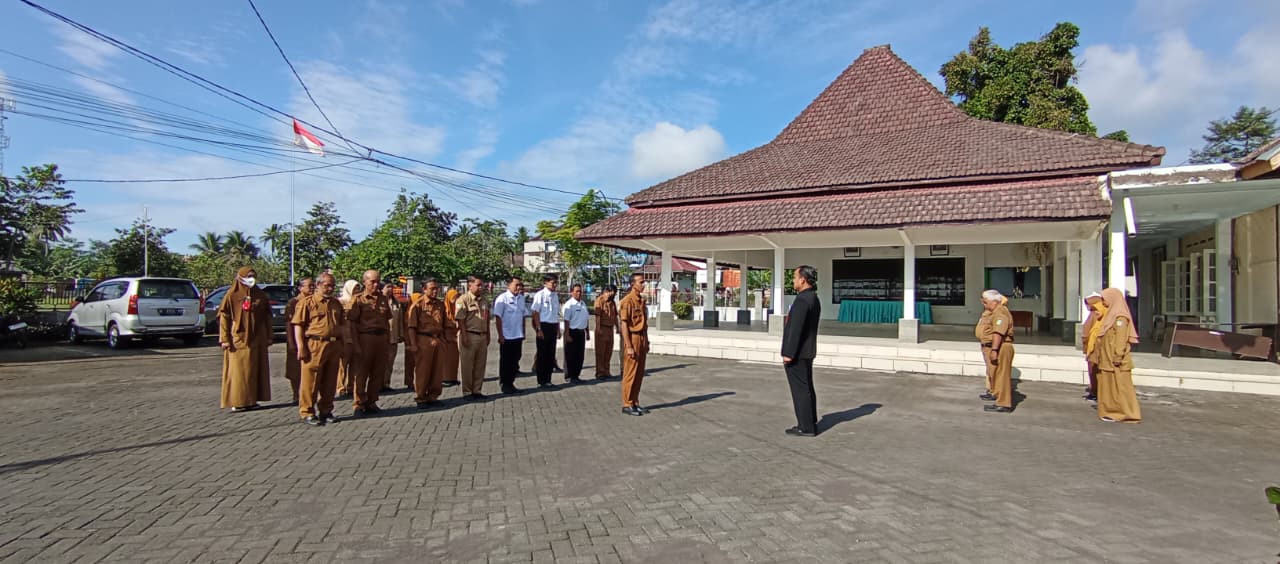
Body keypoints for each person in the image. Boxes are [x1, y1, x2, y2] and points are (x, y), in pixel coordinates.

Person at [292, 273, 352, 426]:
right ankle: (307, 412)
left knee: (330, 380)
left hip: (333, 345)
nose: (330, 288)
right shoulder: (307, 303)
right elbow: (298, 325)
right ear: (318, 285)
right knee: (310, 381)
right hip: (314, 345)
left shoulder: (335, 303)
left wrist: (344, 344)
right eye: (326, 285)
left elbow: (342, 325)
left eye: (332, 285)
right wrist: (301, 347)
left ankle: (326, 411)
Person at [218, 266, 273, 412]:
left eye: (253, 276)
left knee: (255, 370)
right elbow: (225, 318)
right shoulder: (231, 295)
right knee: (239, 372)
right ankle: (238, 401)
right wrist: (225, 339)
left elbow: (267, 317)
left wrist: (268, 336)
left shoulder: (260, 295)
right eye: (248, 276)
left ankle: (252, 400)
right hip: (238, 340)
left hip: (258, 338)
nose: (251, 279)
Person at [781, 265, 821, 436]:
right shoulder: (813, 298)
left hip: (798, 353)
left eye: (795, 277)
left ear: (803, 279)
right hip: (807, 350)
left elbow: (796, 329)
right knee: (806, 387)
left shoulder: (803, 300)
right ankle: (810, 420)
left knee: (800, 390)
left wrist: (789, 353)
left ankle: (805, 427)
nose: (793, 280)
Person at [347, 270, 392, 417]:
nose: (376, 284)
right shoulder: (358, 300)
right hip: (365, 338)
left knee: (378, 372)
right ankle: (359, 404)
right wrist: (355, 344)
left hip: (381, 339)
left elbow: (387, 320)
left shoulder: (383, 299)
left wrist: (388, 340)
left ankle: (372, 401)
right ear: (365, 282)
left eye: (378, 281)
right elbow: (352, 324)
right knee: (361, 373)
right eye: (372, 281)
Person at [1095, 288, 1141, 423]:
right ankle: (1112, 412)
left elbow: (1120, 340)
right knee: (1110, 387)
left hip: (1116, 361)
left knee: (1122, 388)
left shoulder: (1120, 317)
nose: (1103, 302)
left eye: (1104, 299)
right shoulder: (1109, 315)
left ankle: (1128, 414)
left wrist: (1117, 356)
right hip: (1107, 360)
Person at [406, 279, 449, 409]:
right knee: (423, 371)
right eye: (432, 289)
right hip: (423, 340)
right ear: (424, 289)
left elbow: (444, 324)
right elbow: (411, 327)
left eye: (437, 288)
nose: (435, 291)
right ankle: (421, 397)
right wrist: (413, 344)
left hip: (438, 339)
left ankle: (433, 396)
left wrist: (445, 340)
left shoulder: (440, 305)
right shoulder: (418, 305)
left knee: (437, 370)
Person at [454, 275, 491, 400]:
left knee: (480, 365)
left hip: (482, 335)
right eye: (478, 285)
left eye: (482, 285)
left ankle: (477, 390)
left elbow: (486, 320)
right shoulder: (463, 300)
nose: (481, 287)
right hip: (469, 334)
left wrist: (488, 335)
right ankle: (467, 391)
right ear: (470, 285)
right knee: (467, 365)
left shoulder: (484, 301)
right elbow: (460, 320)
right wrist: (464, 336)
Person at [618, 273, 650, 416]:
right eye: (641, 282)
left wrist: (647, 340)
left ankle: (635, 401)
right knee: (630, 372)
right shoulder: (627, 301)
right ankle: (627, 403)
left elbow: (645, 324)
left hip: (642, 337)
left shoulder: (641, 301)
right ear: (633, 284)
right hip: (633, 338)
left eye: (644, 282)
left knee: (639, 372)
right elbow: (624, 325)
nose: (643, 285)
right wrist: (629, 345)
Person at [981, 289, 1015, 413]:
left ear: (994, 301)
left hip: (1002, 347)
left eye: (986, 302)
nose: (984, 305)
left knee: (1002, 376)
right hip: (997, 346)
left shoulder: (1000, 312)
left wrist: (994, 350)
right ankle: (998, 396)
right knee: (997, 375)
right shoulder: (994, 311)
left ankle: (1003, 403)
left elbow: (998, 332)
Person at [493, 277, 528, 394]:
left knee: (516, 359)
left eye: (520, 285)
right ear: (508, 285)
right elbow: (498, 318)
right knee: (506, 361)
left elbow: (523, 316)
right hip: (507, 335)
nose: (519, 287)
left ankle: (511, 382)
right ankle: (505, 384)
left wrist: (523, 332)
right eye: (516, 285)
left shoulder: (521, 299)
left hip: (517, 334)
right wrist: (500, 335)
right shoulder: (502, 298)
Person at [284, 277, 314, 404]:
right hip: (296, 341)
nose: (312, 288)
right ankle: (296, 394)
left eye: (313, 285)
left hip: (311, 341)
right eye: (309, 286)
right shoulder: (294, 303)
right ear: (300, 288)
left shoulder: (313, 301)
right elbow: (289, 324)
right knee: (295, 370)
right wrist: (291, 343)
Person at [531, 274, 561, 389]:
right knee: (542, 354)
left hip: (552, 326)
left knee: (550, 354)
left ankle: (548, 379)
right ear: (546, 283)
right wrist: (538, 329)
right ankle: (541, 380)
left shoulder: (555, 296)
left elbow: (556, 314)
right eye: (552, 282)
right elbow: (535, 312)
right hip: (543, 326)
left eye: (555, 282)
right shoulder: (540, 295)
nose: (555, 285)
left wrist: (558, 329)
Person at [336, 279, 360, 398]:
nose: (357, 291)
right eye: (354, 288)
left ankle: (351, 386)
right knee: (342, 365)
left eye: (358, 288)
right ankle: (340, 387)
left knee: (354, 364)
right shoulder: (340, 302)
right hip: (344, 337)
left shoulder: (359, 301)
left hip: (356, 337)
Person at [561, 283, 590, 383]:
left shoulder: (583, 303)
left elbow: (586, 318)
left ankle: (576, 376)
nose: (579, 293)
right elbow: (566, 321)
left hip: (581, 332)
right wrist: (567, 334)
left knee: (579, 355)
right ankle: (569, 376)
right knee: (570, 355)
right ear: (571, 292)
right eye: (577, 291)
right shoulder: (569, 305)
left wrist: (587, 332)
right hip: (572, 332)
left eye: (580, 291)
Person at [1081, 292, 1105, 402]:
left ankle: (1096, 392)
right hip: (1094, 346)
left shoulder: (1096, 313)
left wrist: (1085, 344)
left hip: (1095, 346)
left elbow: (1086, 331)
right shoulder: (1099, 311)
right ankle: (1096, 391)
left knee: (1094, 370)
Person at [592, 285, 618, 379]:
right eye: (613, 293)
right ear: (607, 291)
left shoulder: (613, 302)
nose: (614, 295)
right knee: (600, 352)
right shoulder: (599, 300)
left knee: (608, 351)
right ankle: (600, 372)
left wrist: (617, 328)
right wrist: (598, 328)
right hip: (602, 328)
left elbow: (615, 316)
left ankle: (606, 371)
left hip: (610, 329)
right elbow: (598, 316)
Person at [382, 283, 403, 392]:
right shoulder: (379, 301)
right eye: (387, 287)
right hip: (381, 337)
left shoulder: (396, 302)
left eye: (392, 287)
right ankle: (377, 384)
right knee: (380, 362)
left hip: (393, 336)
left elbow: (400, 319)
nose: (390, 289)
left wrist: (400, 334)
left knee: (390, 362)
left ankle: (386, 383)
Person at [973, 301, 996, 401]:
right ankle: (990, 389)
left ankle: (994, 391)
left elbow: (1003, 300)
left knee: (993, 369)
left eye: (986, 301)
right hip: (984, 344)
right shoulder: (986, 313)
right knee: (989, 369)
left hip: (990, 345)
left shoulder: (995, 313)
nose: (984, 304)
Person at [441, 286, 462, 388]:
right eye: (453, 297)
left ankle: (453, 377)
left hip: (455, 338)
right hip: (446, 338)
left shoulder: (457, 308)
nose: (455, 299)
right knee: (446, 360)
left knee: (454, 359)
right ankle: (445, 378)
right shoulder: (444, 309)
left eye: (457, 296)